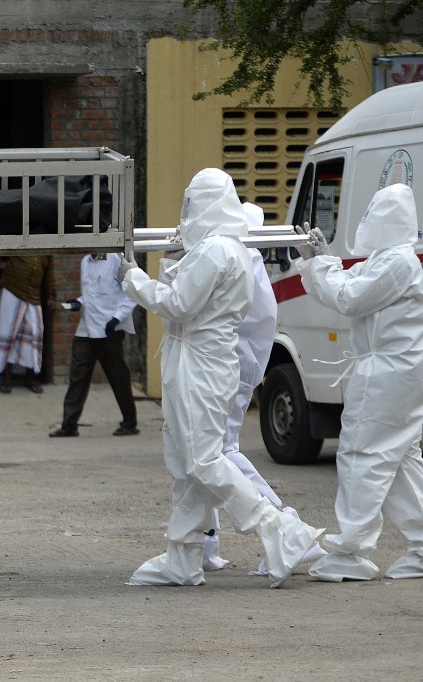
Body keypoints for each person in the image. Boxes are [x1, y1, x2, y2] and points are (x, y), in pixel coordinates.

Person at [117, 168, 323, 588]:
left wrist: (134, 280)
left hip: (202, 364)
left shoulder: (217, 251)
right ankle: (184, 555)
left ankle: (281, 531)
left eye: (191, 203)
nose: (185, 212)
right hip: (195, 360)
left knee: (204, 459)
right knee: (186, 461)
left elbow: (176, 304)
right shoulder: (219, 249)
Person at [296, 183, 423, 582]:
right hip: (393, 370)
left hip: (389, 371)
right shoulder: (388, 259)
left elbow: (351, 298)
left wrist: (320, 264)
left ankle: (352, 550)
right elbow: (346, 284)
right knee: (398, 459)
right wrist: (320, 260)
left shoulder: (399, 262)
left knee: (361, 455)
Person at [201, 203, 325, 572]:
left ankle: (288, 529)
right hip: (234, 368)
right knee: (204, 456)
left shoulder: (237, 259)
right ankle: (203, 544)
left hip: (226, 369)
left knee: (217, 454)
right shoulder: (246, 258)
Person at [49, 252, 139, 438]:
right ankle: (69, 425)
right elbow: (91, 294)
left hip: (109, 329)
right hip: (86, 328)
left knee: (118, 377)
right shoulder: (85, 262)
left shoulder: (118, 260)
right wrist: (77, 302)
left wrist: (116, 319)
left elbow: (132, 293)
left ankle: (129, 423)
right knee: (78, 377)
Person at [0, 255, 56, 394]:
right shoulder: (17, 234)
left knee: (34, 334)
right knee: (6, 333)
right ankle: (6, 379)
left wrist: (51, 296)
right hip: (11, 289)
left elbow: (49, 274)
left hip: (33, 295)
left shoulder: (47, 246)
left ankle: (30, 378)